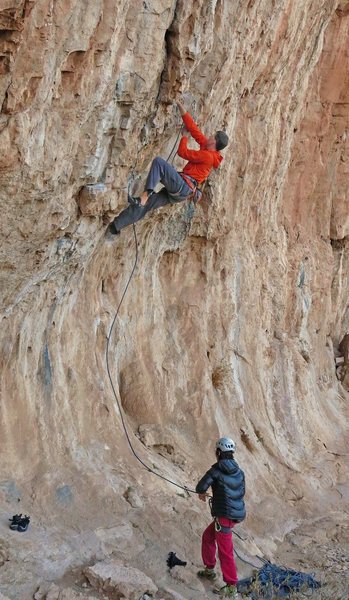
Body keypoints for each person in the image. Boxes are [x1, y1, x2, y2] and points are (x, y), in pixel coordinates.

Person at [106, 100, 229, 235]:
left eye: (213, 135)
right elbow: (194, 129)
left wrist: (184, 137)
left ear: (214, 141)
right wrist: (181, 107)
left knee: (159, 163)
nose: (210, 135)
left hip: (183, 186)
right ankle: (115, 227)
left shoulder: (208, 157)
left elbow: (183, 153)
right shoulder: (209, 148)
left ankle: (145, 195)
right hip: (183, 192)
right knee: (146, 206)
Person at [195, 437, 246, 598]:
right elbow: (239, 492)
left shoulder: (216, 469)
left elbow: (200, 486)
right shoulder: (239, 471)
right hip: (234, 514)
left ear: (218, 452)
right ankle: (209, 569)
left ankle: (232, 587)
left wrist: (203, 493)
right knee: (208, 537)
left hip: (224, 516)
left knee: (225, 552)